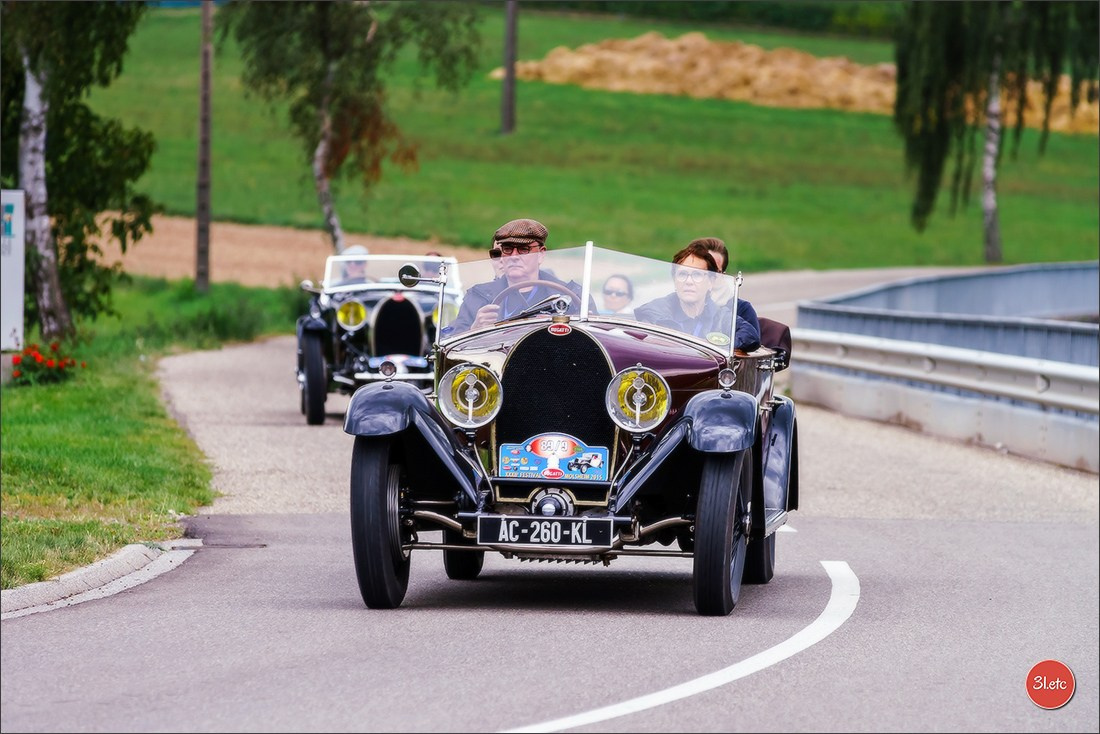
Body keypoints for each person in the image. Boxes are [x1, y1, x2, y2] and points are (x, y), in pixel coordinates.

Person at [448, 218, 584, 333]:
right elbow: (452, 349)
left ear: (541, 254)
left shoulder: (573, 297)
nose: (514, 256)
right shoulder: (478, 297)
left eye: (523, 250)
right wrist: (475, 329)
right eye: (507, 249)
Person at [634, 241, 761, 351]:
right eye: (682, 274)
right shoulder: (657, 309)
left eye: (697, 275)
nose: (689, 281)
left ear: (710, 282)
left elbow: (750, 335)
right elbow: (646, 321)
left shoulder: (720, 314)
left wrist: (721, 346)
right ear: (675, 281)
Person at [694, 236, 734, 306]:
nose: (706, 277)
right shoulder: (672, 305)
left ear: (723, 275)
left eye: (713, 271)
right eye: (699, 272)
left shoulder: (741, 310)